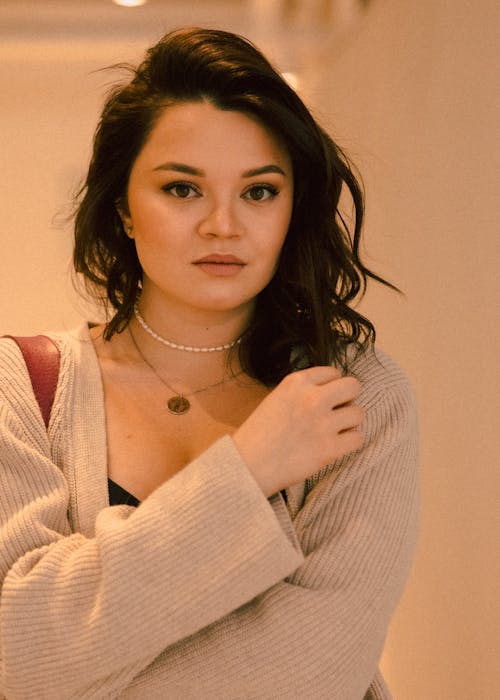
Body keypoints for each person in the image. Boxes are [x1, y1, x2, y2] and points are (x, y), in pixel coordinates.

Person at [0, 27, 419, 699]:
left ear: (293, 210)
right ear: (123, 209)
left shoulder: (358, 397)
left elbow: (313, 671)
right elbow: (15, 656)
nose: (223, 225)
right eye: (182, 189)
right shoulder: (22, 388)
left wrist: (89, 657)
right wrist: (247, 470)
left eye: (258, 192)